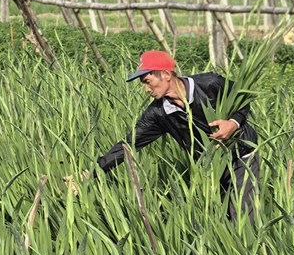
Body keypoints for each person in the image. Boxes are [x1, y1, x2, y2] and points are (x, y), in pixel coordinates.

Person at [97, 50, 259, 223]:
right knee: (220, 218)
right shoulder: (158, 113)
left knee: (243, 219)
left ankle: (251, 248)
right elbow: (129, 145)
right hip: (211, 167)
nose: (146, 89)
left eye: (148, 82)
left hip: (242, 156)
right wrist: (95, 171)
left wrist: (233, 123)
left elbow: (243, 96)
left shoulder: (210, 84)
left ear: (166, 74)